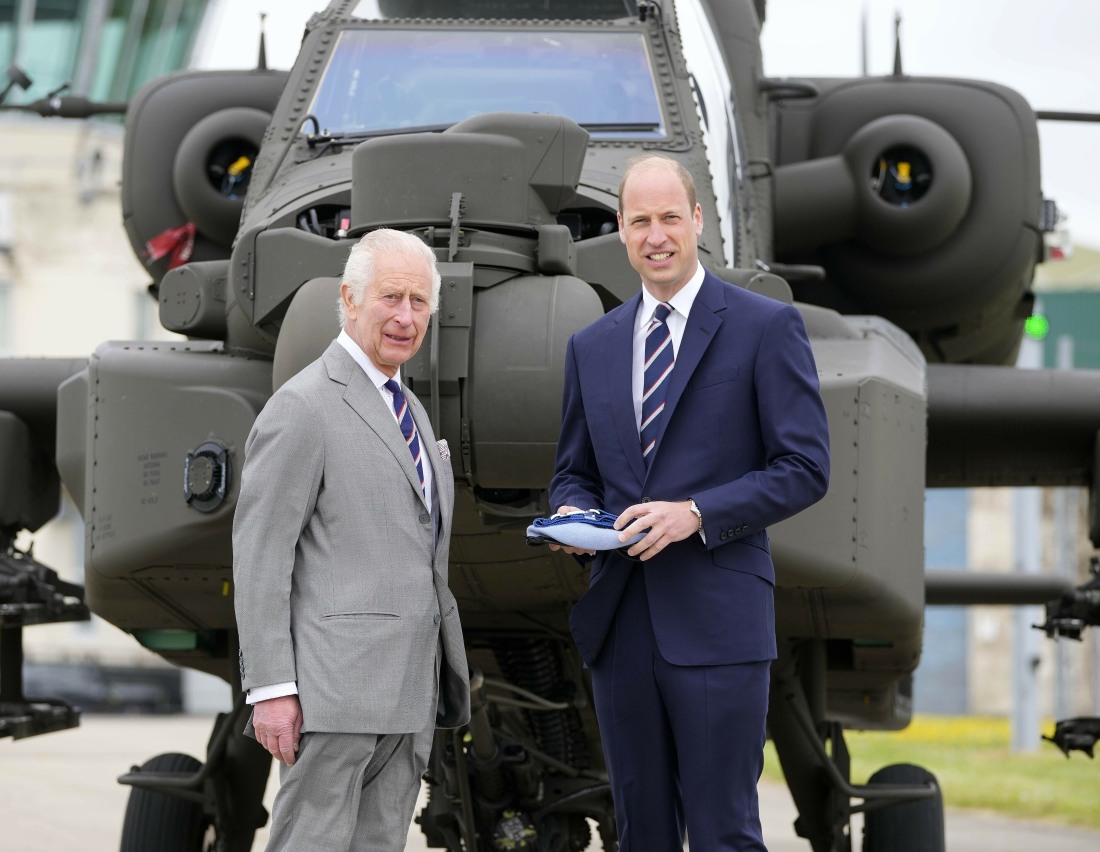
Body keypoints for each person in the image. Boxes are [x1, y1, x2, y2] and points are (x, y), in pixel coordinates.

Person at [549, 155, 830, 851]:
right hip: (622, 626)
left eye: (670, 218)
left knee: (722, 833)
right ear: (621, 230)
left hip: (718, 624)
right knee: (639, 834)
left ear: (698, 220)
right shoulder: (592, 346)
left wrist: (697, 513)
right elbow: (574, 473)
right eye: (640, 221)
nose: (657, 236)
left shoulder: (766, 326)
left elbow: (804, 468)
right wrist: (572, 518)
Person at [233, 228, 471, 851]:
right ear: (349, 298)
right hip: (332, 696)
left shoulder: (408, 408)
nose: (405, 317)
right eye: (391, 297)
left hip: (408, 693)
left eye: (419, 302)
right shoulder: (303, 406)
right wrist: (272, 689)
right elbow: (261, 557)